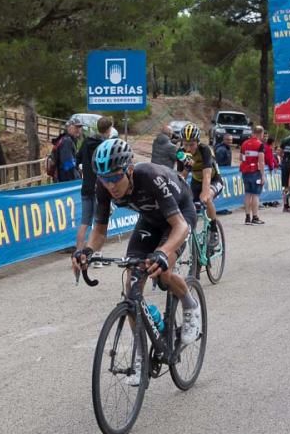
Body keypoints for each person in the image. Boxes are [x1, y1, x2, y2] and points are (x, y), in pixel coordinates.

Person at [72, 138, 202, 385]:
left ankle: (190, 304)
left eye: (114, 177)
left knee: (162, 272)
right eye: (104, 179)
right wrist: (86, 251)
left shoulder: (150, 176)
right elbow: (99, 231)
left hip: (180, 217)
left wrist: (163, 253)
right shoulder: (104, 186)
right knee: (131, 290)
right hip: (150, 220)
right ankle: (141, 355)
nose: (110, 185)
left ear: (129, 170)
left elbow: (180, 226)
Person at [176, 123, 223, 248]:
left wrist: (205, 192)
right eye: (185, 144)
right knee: (188, 206)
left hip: (214, 179)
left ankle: (214, 230)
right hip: (196, 182)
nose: (188, 148)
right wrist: (187, 167)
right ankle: (193, 239)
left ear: (197, 142)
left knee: (207, 199)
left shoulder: (204, 150)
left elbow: (207, 174)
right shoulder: (181, 153)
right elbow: (181, 177)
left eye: (192, 144)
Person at [75, 116, 111, 250]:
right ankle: (96, 254)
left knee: (84, 223)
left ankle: (78, 252)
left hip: (86, 186)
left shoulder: (86, 142)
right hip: (99, 187)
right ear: (108, 129)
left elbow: (77, 159)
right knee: (99, 224)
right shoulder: (105, 145)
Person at [239, 126, 266, 225]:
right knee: (255, 195)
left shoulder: (244, 143)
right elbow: (261, 161)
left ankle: (247, 217)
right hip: (255, 171)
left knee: (247, 194)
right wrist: (263, 175)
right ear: (260, 133)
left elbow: (241, 158)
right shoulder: (260, 145)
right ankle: (255, 217)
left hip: (245, 171)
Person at [55, 117, 84, 182]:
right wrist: (76, 179)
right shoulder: (67, 141)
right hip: (66, 181)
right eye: (76, 127)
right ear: (69, 128)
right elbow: (68, 164)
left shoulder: (70, 140)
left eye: (80, 127)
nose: (78, 130)